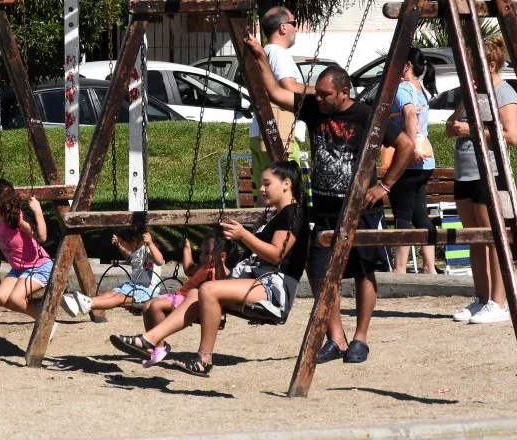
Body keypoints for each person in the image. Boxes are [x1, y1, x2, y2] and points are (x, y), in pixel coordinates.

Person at [244, 32, 416, 364]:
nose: (318, 99)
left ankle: (360, 338)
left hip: (360, 206)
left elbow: (406, 145)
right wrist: (259, 57)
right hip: (323, 206)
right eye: (317, 94)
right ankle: (335, 338)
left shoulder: (367, 115)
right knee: (321, 271)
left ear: (343, 92)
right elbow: (278, 94)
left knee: (365, 270)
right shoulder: (314, 109)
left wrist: (385, 186)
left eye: (325, 95)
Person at [110, 161, 307, 376]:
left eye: (267, 184)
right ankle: (150, 339)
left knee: (208, 290)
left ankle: (204, 359)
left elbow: (277, 253)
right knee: (195, 292)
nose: (261, 189)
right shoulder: (276, 215)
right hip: (258, 281)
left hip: (275, 289)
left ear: (286, 184)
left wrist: (244, 236)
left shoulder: (293, 213)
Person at [446, 37, 517, 324]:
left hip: (489, 173)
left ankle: (499, 302)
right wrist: (456, 127)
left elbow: (512, 136)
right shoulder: (471, 93)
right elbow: (452, 128)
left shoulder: (504, 93)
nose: (468, 73)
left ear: (490, 66)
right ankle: (481, 298)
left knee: (493, 239)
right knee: (473, 238)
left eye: (472, 67)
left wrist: (471, 129)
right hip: (464, 172)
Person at [139, 234, 237, 366]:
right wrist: (187, 248)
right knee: (147, 306)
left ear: (222, 256)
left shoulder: (220, 270)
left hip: (188, 301)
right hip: (178, 295)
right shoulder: (203, 267)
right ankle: (152, 345)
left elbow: (223, 281)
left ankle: (161, 346)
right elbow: (188, 269)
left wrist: (218, 261)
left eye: (207, 252)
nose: (202, 256)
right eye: (201, 251)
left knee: (156, 306)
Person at [382, 47, 439, 274]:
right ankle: (429, 267)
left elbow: (408, 113)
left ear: (405, 66)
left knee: (402, 215)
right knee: (420, 214)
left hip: (409, 161)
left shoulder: (403, 88)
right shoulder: (420, 90)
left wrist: (410, 145)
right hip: (426, 163)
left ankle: (399, 269)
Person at [248, 6, 309, 173]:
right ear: (283, 27)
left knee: (265, 190)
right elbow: (290, 87)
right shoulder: (279, 54)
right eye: (293, 23)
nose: (295, 28)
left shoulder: (264, 52)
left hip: (258, 133)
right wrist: (321, 92)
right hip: (279, 134)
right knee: (286, 190)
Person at [0, 178, 52, 318]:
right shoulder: (1, 218)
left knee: (15, 299)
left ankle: (46, 322)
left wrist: (38, 212)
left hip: (39, 266)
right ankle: (41, 313)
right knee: (1, 297)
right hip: (19, 269)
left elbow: (42, 237)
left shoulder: (17, 218)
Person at [60, 227, 164, 316]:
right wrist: (120, 245)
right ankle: (77, 304)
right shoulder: (135, 250)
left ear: (134, 240)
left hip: (147, 291)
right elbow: (130, 259)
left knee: (119, 297)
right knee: (110, 293)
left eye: (125, 242)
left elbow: (159, 261)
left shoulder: (147, 249)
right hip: (133, 286)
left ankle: (89, 304)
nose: (125, 245)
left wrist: (150, 243)